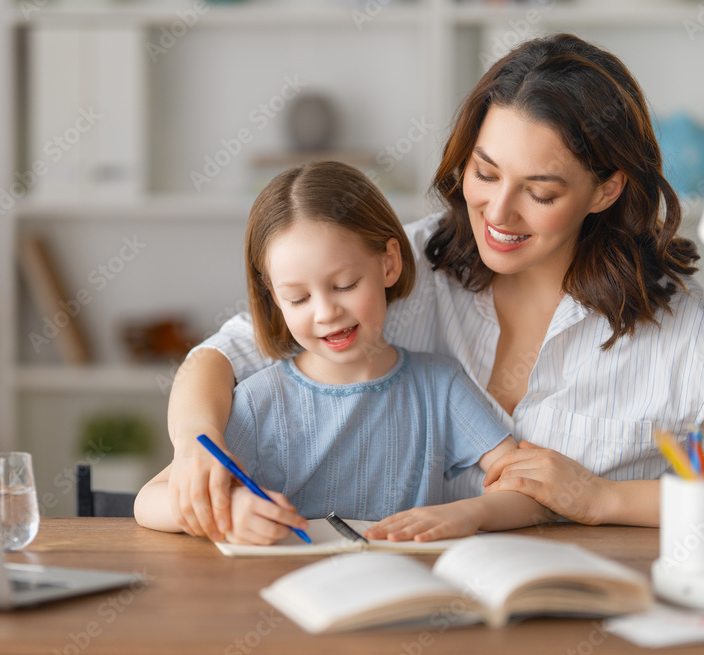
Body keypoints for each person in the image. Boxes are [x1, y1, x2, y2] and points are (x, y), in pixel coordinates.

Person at [167, 34, 704, 542]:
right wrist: (198, 450)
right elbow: (222, 357)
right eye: (485, 171)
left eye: (541, 191)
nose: (498, 212)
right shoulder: (403, 265)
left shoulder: (674, 326)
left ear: (605, 189)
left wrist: (602, 498)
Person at [134, 161, 551, 544]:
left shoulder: (440, 386)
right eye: (298, 298)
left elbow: (528, 492)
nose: (326, 313)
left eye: (345, 285)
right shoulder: (259, 401)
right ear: (274, 299)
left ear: (388, 264)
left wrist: (470, 513)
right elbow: (148, 501)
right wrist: (227, 510)